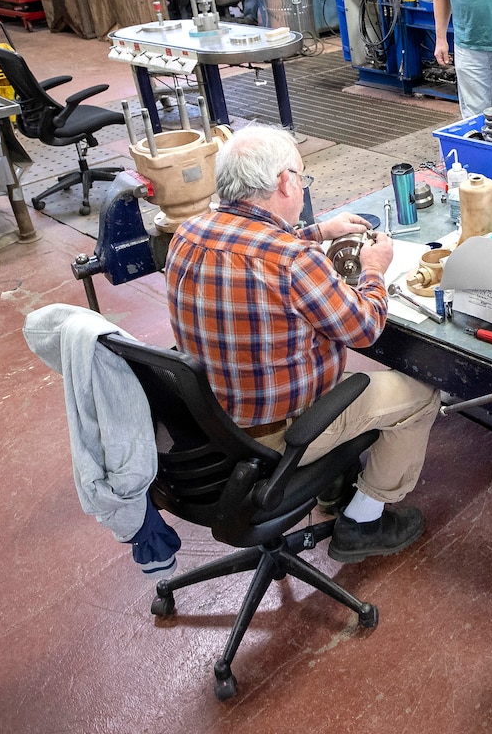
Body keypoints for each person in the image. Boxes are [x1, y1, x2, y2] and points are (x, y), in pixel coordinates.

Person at [164, 124, 440, 563]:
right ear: (284, 182)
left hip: (214, 422)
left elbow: (253, 245)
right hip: (277, 435)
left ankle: (334, 484)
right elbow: (365, 327)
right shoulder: (292, 261)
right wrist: (373, 268)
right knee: (423, 393)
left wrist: (318, 230)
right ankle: (364, 522)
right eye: (301, 177)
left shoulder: (187, 233)